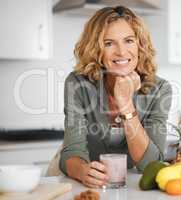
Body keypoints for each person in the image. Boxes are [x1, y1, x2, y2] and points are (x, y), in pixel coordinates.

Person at [59, 6, 172, 188]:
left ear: (140, 45)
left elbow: (151, 165)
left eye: (128, 41)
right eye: (109, 43)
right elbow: (72, 152)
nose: (121, 52)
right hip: (87, 183)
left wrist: (126, 104)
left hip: (132, 186)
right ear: (96, 49)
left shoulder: (159, 89)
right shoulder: (78, 84)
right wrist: (83, 171)